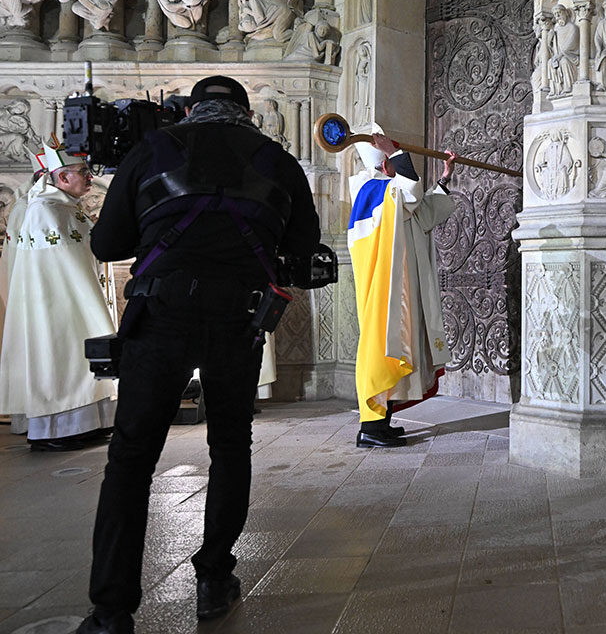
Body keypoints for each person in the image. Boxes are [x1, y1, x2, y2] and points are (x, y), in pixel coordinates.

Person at [76, 75, 322, 634]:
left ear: (189, 110)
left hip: (160, 314)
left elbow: (109, 244)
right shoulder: (277, 160)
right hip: (237, 318)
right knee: (231, 445)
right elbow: (304, 250)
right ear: (246, 114)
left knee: (131, 458)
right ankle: (214, 576)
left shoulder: (151, 149)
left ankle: (111, 611)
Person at [0, 142, 117, 450]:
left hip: (75, 301)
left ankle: (89, 424)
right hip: (55, 308)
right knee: (60, 360)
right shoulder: (45, 210)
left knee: (83, 362)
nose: (90, 178)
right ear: (62, 178)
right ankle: (56, 430)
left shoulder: (64, 207)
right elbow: (58, 268)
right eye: (83, 172)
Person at [348, 129, 457, 447]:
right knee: (383, 350)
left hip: (405, 288)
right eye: (393, 161)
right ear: (385, 166)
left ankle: (382, 423)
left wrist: (446, 178)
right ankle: (370, 426)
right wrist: (393, 151)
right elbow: (409, 193)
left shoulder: (392, 193)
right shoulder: (372, 192)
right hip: (385, 290)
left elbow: (424, 212)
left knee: (401, 349)